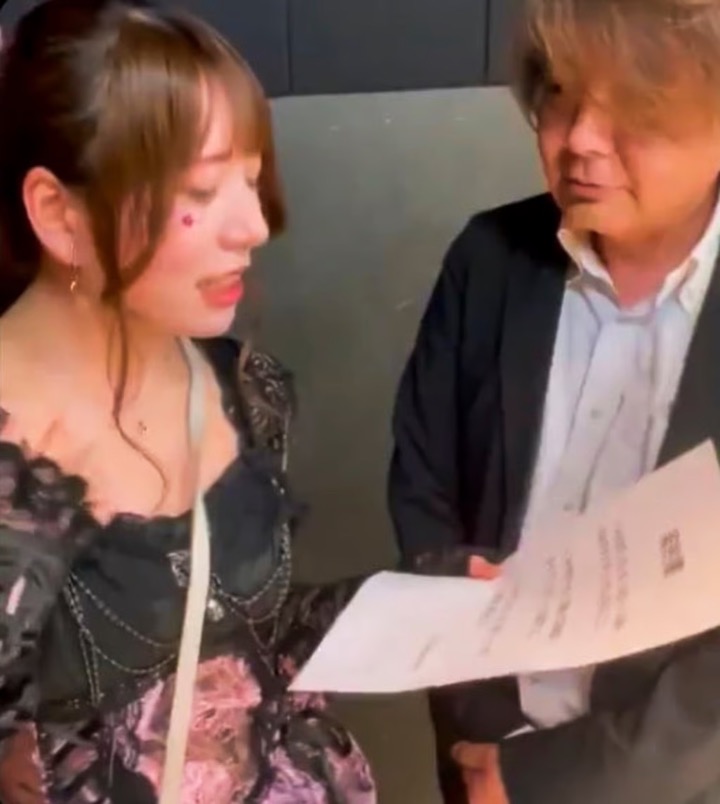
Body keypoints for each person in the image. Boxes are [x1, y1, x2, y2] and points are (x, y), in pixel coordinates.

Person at [0, 2, 377, 801]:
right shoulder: (15, 456)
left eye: (251, 179)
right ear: (59, 215)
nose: (255, 226)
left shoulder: (239, 384)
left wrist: (417, 601)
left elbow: (242, 638)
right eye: (202, 191)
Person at [388, 0, 720, 802]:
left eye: (633, 107)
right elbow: (425, 494)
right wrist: (481, 737)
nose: (580, 140)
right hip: (482, 757)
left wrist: (552, 779)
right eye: (562, 96)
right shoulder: (490, 261)